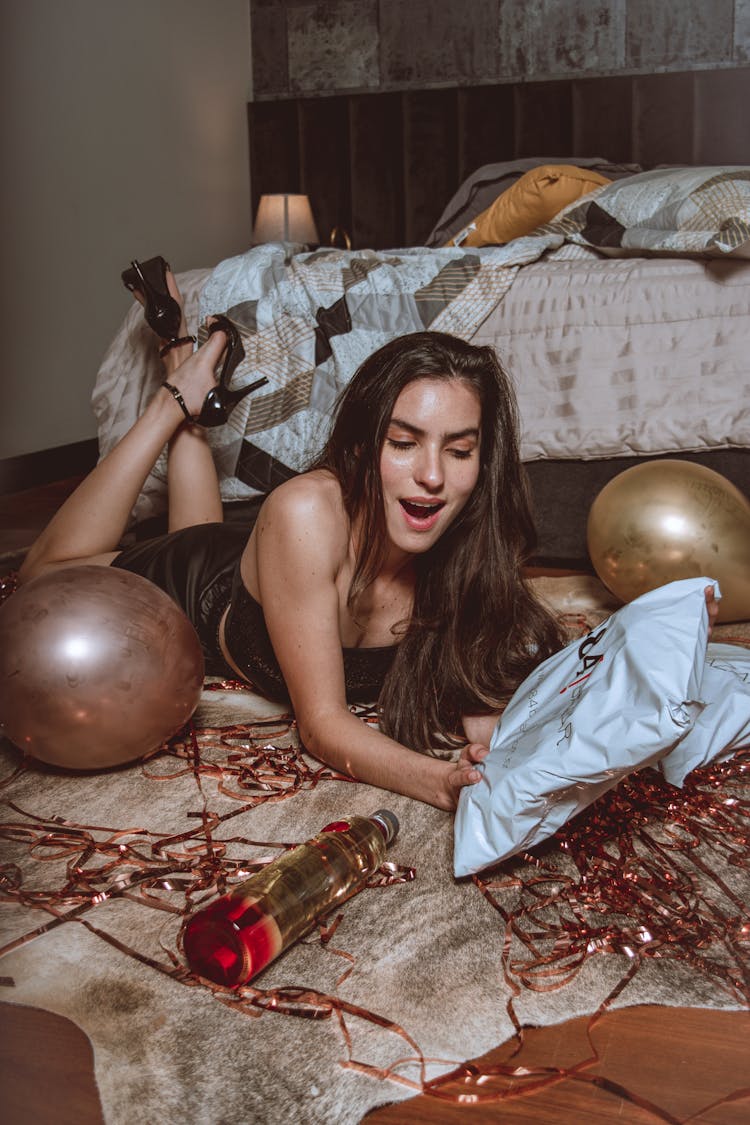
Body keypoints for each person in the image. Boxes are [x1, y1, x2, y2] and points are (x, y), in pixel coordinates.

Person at [19, 264, 718, 807]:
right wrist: (438, 783)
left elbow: (490, 692)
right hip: (177, 587)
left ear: (484, 458)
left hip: (254, 568)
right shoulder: (304, 511)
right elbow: (322, 726)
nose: (432, 477)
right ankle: (180, 390)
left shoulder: (467, 538)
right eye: (405, 442)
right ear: (362, 447)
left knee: (214, 534)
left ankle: (198, 413)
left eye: (459, 449)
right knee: (44, 577)